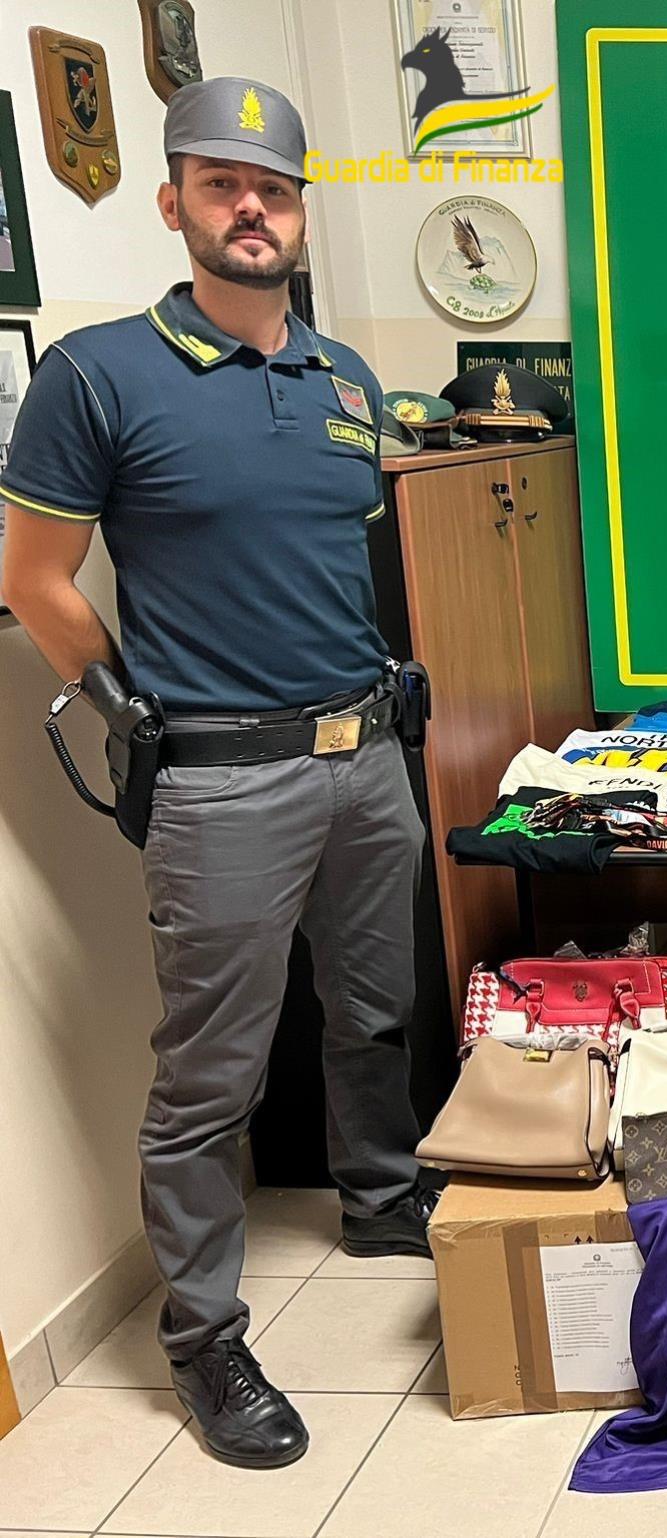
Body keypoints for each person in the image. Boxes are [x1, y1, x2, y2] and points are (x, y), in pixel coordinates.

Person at [0, 79, 433, 1470]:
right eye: (223, 183)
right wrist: (129, 710)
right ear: (174, 200)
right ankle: (202, 1337)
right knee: (210, 1078)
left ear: (302, 212)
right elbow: (35, 578)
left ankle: (380, 1197)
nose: (254, 208)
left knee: (375, 1008)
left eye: (276, 188)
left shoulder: (346, 380)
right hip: (224, 781)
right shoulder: (95, 375)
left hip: (367, 757)